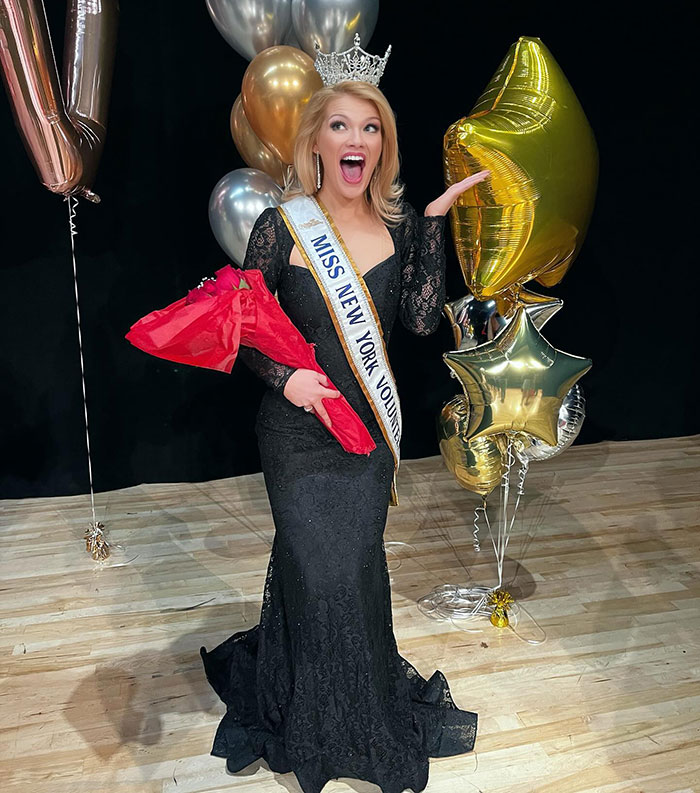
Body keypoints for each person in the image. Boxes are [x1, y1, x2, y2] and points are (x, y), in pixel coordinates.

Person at [199, 70, 490, 793]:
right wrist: (287, 380)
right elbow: (244, 327)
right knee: (311, 564)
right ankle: (311, 720)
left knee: (352, 567)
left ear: (381, 145)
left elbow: (418, 321)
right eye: (340, 125)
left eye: (370, 127)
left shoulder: (397, 227)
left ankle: (359, 714)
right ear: (317, 143)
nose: (356, 138)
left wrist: (433, 222)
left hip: (364, 437)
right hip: (294, 435)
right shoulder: (281, 227)